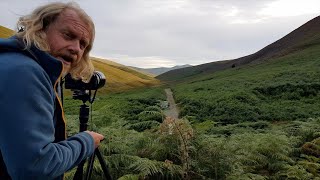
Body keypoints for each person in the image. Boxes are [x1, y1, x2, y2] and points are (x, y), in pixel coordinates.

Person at [0, 2, 104, 179]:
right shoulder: (26, 72)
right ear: (40, 28)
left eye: (83, 45)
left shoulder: (13, 61)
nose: (76, 49)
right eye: (68, 35)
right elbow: (35, 167)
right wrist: (86, 141)